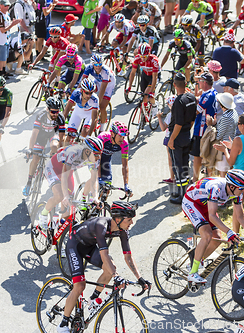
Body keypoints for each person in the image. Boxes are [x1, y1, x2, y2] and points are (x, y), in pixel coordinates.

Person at [57, 201, 151, 333]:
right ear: (117, 219)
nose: (132, 223)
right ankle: (63, 324)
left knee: (111, 268)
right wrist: (116, 276)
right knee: (79, 286)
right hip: (75, 245)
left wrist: (140, 278)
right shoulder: (101, 226)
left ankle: (92, 299)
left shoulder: (123, 231)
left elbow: (128, 257)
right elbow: (104, 254)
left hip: (89, 247)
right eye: (129, 220)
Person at [181, 169, 244, 283]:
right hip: (191, 202)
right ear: (232, 186)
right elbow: (212, 216)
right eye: (241, 188)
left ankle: (197, 258)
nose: (243, 191)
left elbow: (240, 216)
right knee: (207, 234)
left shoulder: (237, 192)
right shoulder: (216, 188)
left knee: (217, 239)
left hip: (206, 205)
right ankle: (193, 273)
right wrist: (229, 231)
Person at [39, 137, 103, 227]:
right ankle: (43, 213)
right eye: (96, 154)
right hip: (54, 169)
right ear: (87, 151)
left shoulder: (95, 159)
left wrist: (95, 197)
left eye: (99, 154)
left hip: (68, 172)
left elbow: (94, 179)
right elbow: (64, 177)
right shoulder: (73, 152)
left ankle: (60, 228)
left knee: (68, 212)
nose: (98, 157)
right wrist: (65, 196)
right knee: (60, 196)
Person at [214, 114, 244, 231]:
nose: (238, 126)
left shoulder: (238, 139)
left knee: (238, 207)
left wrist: (225, 150)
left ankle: (235, 234)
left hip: (240, 179)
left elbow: (231, 161)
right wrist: (233, 146)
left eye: (239, 124)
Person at [23, 97, 66, 196]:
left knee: (55, 146)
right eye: (53, 112)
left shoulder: (60, 118)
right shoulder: (41, 115)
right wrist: (30, 149)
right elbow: (34, 133)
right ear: (47, 109)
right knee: (36, 158)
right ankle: (29, 182)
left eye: (57, 111)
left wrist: (60, 152)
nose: (55, 114)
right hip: (40, 135)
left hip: (52, 134)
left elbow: (62, 137)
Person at [168, 73, 197, 204]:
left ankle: (181, 196)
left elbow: (178, 124)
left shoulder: (178, 102)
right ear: (185, 83)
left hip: (178, 137)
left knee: (178, 166)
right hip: (187, 135)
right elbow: (192, 119)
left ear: (175, 85)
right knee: (185, 165)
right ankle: (183, 191)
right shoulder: (191, 97)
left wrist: (172, 138)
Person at [191, 72, 218, 182]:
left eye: (200, 81)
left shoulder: (208, 96)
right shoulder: (211, 92)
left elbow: (197, 111)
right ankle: (207, 179)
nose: (198, 82)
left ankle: (195, 180)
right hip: (206, 128)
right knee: (206, 156)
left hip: (202, 130)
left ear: (205, 83)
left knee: (198, 156)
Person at [82, 54, 116, 132]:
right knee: (88, 92)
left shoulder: (105, 71)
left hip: (109, 84)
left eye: (100, 64)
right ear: (92, 64)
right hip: (98, 81)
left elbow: (103, 89)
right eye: (96, 64)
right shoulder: (89, 68)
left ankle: (102, 129)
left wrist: (97, 105)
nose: (98, 66)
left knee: (102, 106)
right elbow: (83, 82)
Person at [208, 93, 239, 177]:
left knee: (223, 175)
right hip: (231, 144)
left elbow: (219, 135)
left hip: (223, 146)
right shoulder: (234, 112)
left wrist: (212, 127)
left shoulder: (226, 117)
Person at [126, 42, 161, 116]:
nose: (142, 58)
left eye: (145, 56)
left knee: (147, 95)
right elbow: (132, 73)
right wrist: (129, 87)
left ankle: (155, 106)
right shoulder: (137, 58)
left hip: (154, 76)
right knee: (143, 96)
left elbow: (155, 77)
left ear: (149, 54)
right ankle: (145, 114)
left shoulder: (154, 60)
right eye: (141, 56)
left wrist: (151, 92)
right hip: (145, 75)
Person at [97, 121, 132, 194]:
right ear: (112, 134)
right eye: (120, 136)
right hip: (95, 158)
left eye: (124, 137)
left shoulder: (124, 145)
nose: (122, 139)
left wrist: (126, 185)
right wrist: (99, 178)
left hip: (106, 160)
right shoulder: (103, 137)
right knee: (95, 183)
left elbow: (125, 166)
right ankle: (84, 197)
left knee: (107, 188)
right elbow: (97, 160)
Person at [0, 0, 21, 78]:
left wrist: (13, 23)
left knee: (5, 56)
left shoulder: (6, 14)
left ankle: (4, 71)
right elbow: (2, 30)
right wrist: (12, 24)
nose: (7, 7)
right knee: (2, 57)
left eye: (8, 6)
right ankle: (1, 72)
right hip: (1, 39)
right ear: (1, 5)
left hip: (6, 39)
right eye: (5, 6)